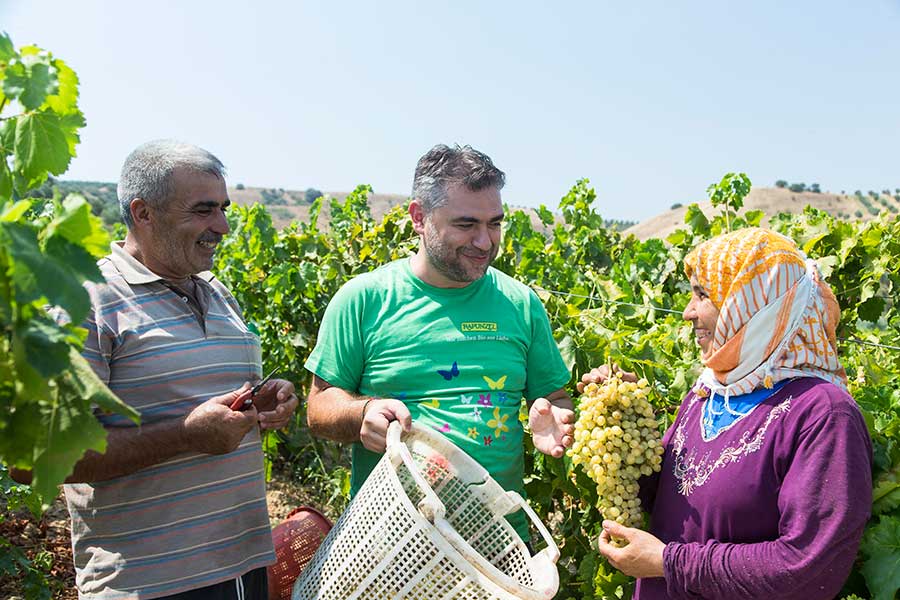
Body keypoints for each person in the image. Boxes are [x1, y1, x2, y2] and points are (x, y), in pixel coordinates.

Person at [14, 140, 299, 599]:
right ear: (143, 213)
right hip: (148, 584)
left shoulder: (219, 293)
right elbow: (30, 459)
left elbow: (214, 406)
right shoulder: (84, 301)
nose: (223, 226)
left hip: (243, 568)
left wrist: (262, 405)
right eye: (204, 210)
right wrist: (185, 435)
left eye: (224, 208)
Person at [581, 227, 872, 599]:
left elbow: (807, 566)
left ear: (753, 305)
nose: (687, 312)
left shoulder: (822, 414)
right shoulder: (709, 393)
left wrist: (669, 562)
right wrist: (620, 414)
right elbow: (667, 500)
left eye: (703, 295)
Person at [304, 143, 574, 539]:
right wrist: (364, 413)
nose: (485, 242)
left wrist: (553, 417)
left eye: (494, 224)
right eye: (466, 225)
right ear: (419, 217)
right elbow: (319, 407)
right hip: (391, 544)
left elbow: (555, 398)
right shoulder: (364, 300)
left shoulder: (520, 304)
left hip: (500, 546)